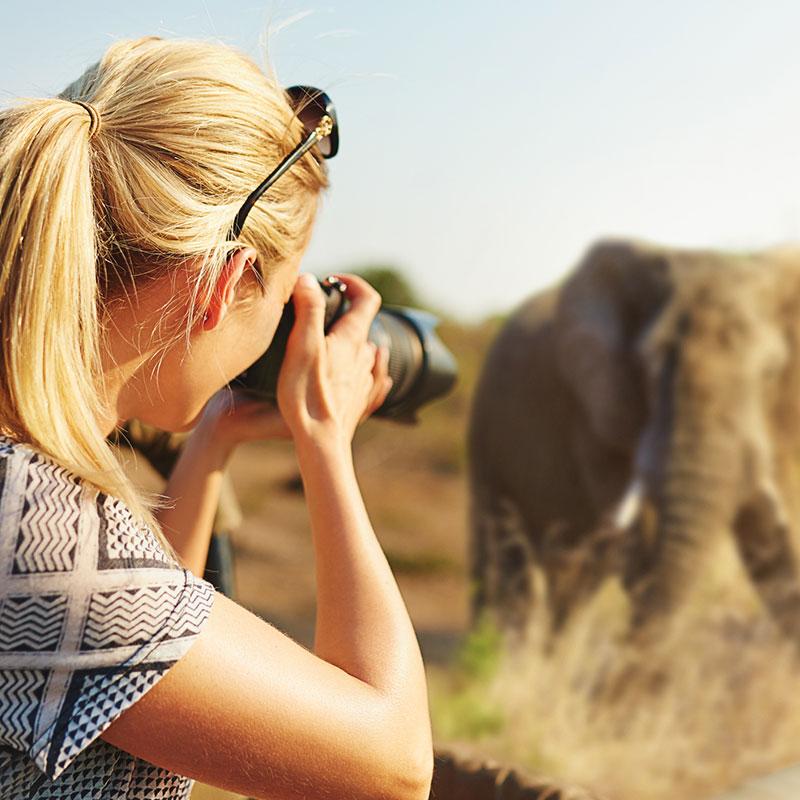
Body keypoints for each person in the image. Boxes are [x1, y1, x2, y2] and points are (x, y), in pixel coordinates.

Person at [0, 35, 433, 800]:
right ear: (224, 283)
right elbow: (392, 765)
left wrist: (211, 442)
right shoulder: (35, 527)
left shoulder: (27, 500)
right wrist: (325, 443)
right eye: (281, 294)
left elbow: (138, 631)